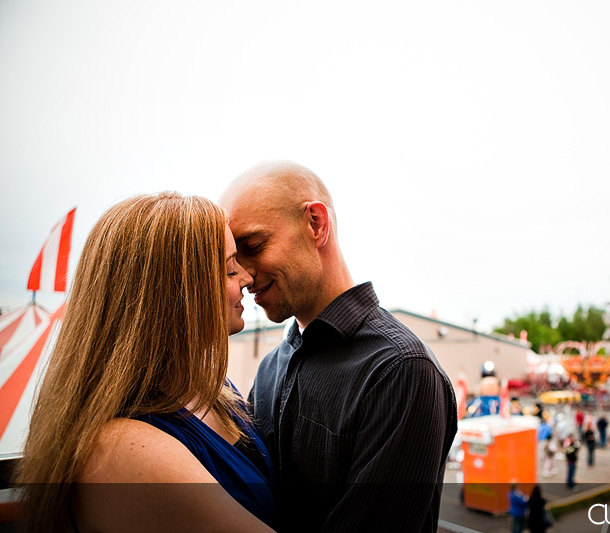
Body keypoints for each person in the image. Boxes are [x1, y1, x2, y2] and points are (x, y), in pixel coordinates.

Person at [14, 193, 277, 532]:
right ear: (177, 294)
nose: (246, 277)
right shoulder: (121, 452)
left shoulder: (214, 390)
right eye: (229, 269)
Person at [220, 161, 458, 532]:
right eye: (235, 259)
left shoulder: (400, 370)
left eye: (254, 246)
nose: (245, 276)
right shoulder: (271, 369)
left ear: (316, 224)